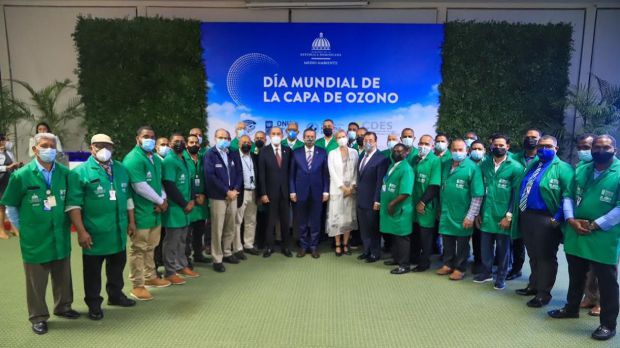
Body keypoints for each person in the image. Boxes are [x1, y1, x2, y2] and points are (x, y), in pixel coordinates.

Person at [0, 132, 78, 335]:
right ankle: (38, 316)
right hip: (34, 237)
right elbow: (11, 205)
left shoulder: (65, 173)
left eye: (52, 145)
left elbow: (70, 201)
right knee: (36, 279)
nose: (49, 149)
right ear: (35, 149)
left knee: (63, 274)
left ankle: (64, 307)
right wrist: (21, 229)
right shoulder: (21, 175)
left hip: (59, 232)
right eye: (44, 145)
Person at [548, 135, 620, 341]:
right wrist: (570, 219)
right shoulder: (582, 169)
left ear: (614, 149)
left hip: (604, 235)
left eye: (606, 147)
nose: (600, 150)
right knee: (576, 274)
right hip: (576, 230)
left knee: (607, 282)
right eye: (596, 147)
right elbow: (568, 196)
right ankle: (571, 308)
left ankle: (608, 324)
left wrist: (596, 224)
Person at [66, 134, 137, 321]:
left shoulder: (121, 169)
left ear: (113, 148)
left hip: (118, 231)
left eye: (107, 146)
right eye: (99, 146)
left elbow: (128, 197)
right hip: (94, 233)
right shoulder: (80, 172)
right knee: (93, 273)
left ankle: (115, 295)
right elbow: (73, 205)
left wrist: (131, 222)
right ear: (92, 148)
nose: (103, 149)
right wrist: (81, 231)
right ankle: (94, 304)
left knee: (117, 267)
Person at [514, 135, 574, 308]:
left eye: (548, 146)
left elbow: (568, 196)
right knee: (533, 254)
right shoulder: (534, 165)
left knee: (546, 257)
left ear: (556, 148)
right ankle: (533, 285)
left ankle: (543, 293)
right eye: (540, 146)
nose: (543, 149)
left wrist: (557, 218)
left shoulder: (563, 168)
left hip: (546, 219)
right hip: (528, 216)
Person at [122, 126, 171, 300]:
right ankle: (137, 285)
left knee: (151, 247)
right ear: (138, 139)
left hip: (155, 212)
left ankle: (150, 277)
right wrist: (160, 201)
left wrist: (163, 200)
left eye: (152, 136)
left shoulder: (155, 159)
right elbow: (139, 186)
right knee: (138, 249)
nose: (149, 139)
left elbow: (159, 183)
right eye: (145, 136)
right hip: (141, 213)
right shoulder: (133, 159)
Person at [474, 134, 524, 290]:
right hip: (486, 214)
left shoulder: (516, 167)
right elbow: (480, 190)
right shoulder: (484, 165)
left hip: (503, 215)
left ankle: (501, 277)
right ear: (491, 146)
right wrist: (478, 213)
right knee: (485, 247)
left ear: (508, 147)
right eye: (495, 145)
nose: (498, 148)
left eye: (502, 145)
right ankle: (486, 272)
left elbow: (516, 195)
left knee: (503, 249)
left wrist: (509, 216)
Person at [436, 139, 484, 281]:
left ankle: (460, 268)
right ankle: (448, 264)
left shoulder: (472, 168)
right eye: (454, 150)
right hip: (446, 211)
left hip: (463, 213)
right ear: (450, 150)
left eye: (460, 150)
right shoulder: (445, 165)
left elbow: (477, 195)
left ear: (466, 151)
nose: (457, 152)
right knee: (447, 240)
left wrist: (471, 216)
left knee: (462, 244)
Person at [161, 133, 200, 284]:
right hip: (175, 208)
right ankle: (170, 271)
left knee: (183, 240)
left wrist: (191, 200)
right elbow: (169, 185)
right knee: (172, 241)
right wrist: (184, 204)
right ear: (170, 144)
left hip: (186, 208)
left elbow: (190, 182)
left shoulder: (183, 158)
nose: (180, 143)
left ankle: (181, 265)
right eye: (176, 141)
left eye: (182, 141)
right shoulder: (169, 161)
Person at [204, 129, 242, 272]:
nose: (223, 140)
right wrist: (226, 191)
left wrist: (235, 190)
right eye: (220, 137)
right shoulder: (210, 154)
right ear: (215, 138)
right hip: (218, 197)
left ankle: (227, 252)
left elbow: (239, 173)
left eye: (226, 138)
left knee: (230, 226)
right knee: (217, 229)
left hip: (233, 196)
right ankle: (217, 258)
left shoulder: (232, 152)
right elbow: (210, 176)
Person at [507, 128, 541, 281]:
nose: (530, 139)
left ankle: (537, 277)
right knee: (516, 240)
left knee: (535, 245)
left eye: (534, 137)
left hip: (533, 208)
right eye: (527, 137)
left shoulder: (542, 160)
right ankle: (516, 268)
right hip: (515, 204)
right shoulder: (514, 158)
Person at [291, 128, 329, 258]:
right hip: (300, 192)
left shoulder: (322, 152)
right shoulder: (296, 152)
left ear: (315, 137)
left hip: (317, 192)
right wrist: (292, 191)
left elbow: (325, 174)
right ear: (303, 137)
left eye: (312, 136)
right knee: (301, 221)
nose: (310, 138)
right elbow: (291, 175)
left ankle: (313, 247)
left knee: (315, 221)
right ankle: (303, 246)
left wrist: (325, 191)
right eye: (307, 136)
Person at [258, 127, 293, 257]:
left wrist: (291, 191)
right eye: (274, 134)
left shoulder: (287, 151)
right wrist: (263, 193)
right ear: (269, 135)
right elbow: (261, 174)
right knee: (270, 222)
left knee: (285, 222)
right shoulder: (264, 151)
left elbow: (291, 172)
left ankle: (286, 247)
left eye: (278, 134)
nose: (276, 136)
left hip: (285, 192)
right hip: (270, 194)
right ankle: (269, 247)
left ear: (282, 135)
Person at [380, 143, 414, 274]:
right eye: (395, 151)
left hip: (401, 209)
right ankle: (396, 258)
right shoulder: (392, 166)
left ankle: (404, 265)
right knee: (394, 235)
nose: (397, 153)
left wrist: (392, 204)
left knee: (402, 237)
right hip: (392, 209)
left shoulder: (407, 169)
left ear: (406, 153)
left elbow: (406, 192)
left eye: (400, 151)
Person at [409, 134, 442, 272]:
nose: (423, 146)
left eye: (427, 144)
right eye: (421, 143)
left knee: (425, 235)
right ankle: (414, 258)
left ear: (432, 146)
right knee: (415, 232)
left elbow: (434, 185)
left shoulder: (435, 161)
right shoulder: (415, 159)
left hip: (426, 205)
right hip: (413, 203)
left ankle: (424, 263)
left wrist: (423, 202)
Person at [356, 132, 389, 263]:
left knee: (373, 228)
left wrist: (377, 200)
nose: (367, 142)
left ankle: (375, 253)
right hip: (361, 199)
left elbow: (380, 182)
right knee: (364, 228)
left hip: (372, 201)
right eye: (365, 140)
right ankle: (366, 251)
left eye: (370, 140)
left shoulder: (381, 158)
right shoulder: (361, 156)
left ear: (376, 142)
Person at [327, 130, 358, 256]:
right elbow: (332, 172)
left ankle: (346, 244)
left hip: (351, 191)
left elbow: (357, 170)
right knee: (337, 218)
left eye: (343, 136)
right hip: (337, 190)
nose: (342, 139)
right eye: (339, 137)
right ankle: (338, 244)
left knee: (348, 219)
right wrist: (342, 187)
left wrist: (351, 187)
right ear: (335, 140)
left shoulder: (354, 152)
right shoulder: (332, 153)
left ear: (347, 137)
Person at [184, 134, 210, 264]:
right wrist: (194, 197)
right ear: (186, 144)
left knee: (200, 231)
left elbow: (207, 177)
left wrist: (204, 194)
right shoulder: (182, 158)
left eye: (196, 143)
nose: (194, 145)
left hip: (202, 201)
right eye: (191, 142)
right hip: (189, 201)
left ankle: (198, 254)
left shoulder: (202, 158)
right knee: (187, 234)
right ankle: (186, 258)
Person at [235, 135, 260, 256]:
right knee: (237, 221)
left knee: (251, 220)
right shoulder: (233, 156)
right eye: (243, 142)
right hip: (241, 192)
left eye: (248, 142)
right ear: (239, 144)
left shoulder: (255, 157)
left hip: (253, 191)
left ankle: (249, 244)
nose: (246, 144)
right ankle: (237, 247)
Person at [468, 140, 486, 273]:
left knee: (479, 235)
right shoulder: (465, 164)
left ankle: (480, 261)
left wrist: (479, 212)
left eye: (480, 149)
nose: (477, 151)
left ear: (484, 150)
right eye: (474, 148)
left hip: (484, 206)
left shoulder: (487, 165)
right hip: (465, 204)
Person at [0, 133, 20, 239]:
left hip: (10, 181)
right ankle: (1, 230)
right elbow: (5, 167)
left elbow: (13, 164)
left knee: (12, 204)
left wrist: (17, 166)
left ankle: (14, 228)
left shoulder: (9, 152)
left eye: (5, 140)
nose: (4, 142)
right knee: (1, 207)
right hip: (1, 182)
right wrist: (7, 167)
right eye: (2, 140)